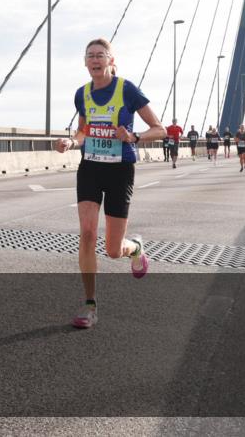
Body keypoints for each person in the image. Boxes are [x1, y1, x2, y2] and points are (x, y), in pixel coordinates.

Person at [56, 38, 165, 329]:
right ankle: (90, 305)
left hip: (120, 170)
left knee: (113, 250)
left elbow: (160, 129)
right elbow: (83, 130)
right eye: (90, 55)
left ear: (111, 60)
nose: (95, 59)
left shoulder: (127, 89)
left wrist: (133, 137)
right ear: (85, 62)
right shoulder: (82, 94)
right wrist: (71, 141)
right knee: (87, 234)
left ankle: (136, 249)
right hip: (90, 167)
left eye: (100, 55)